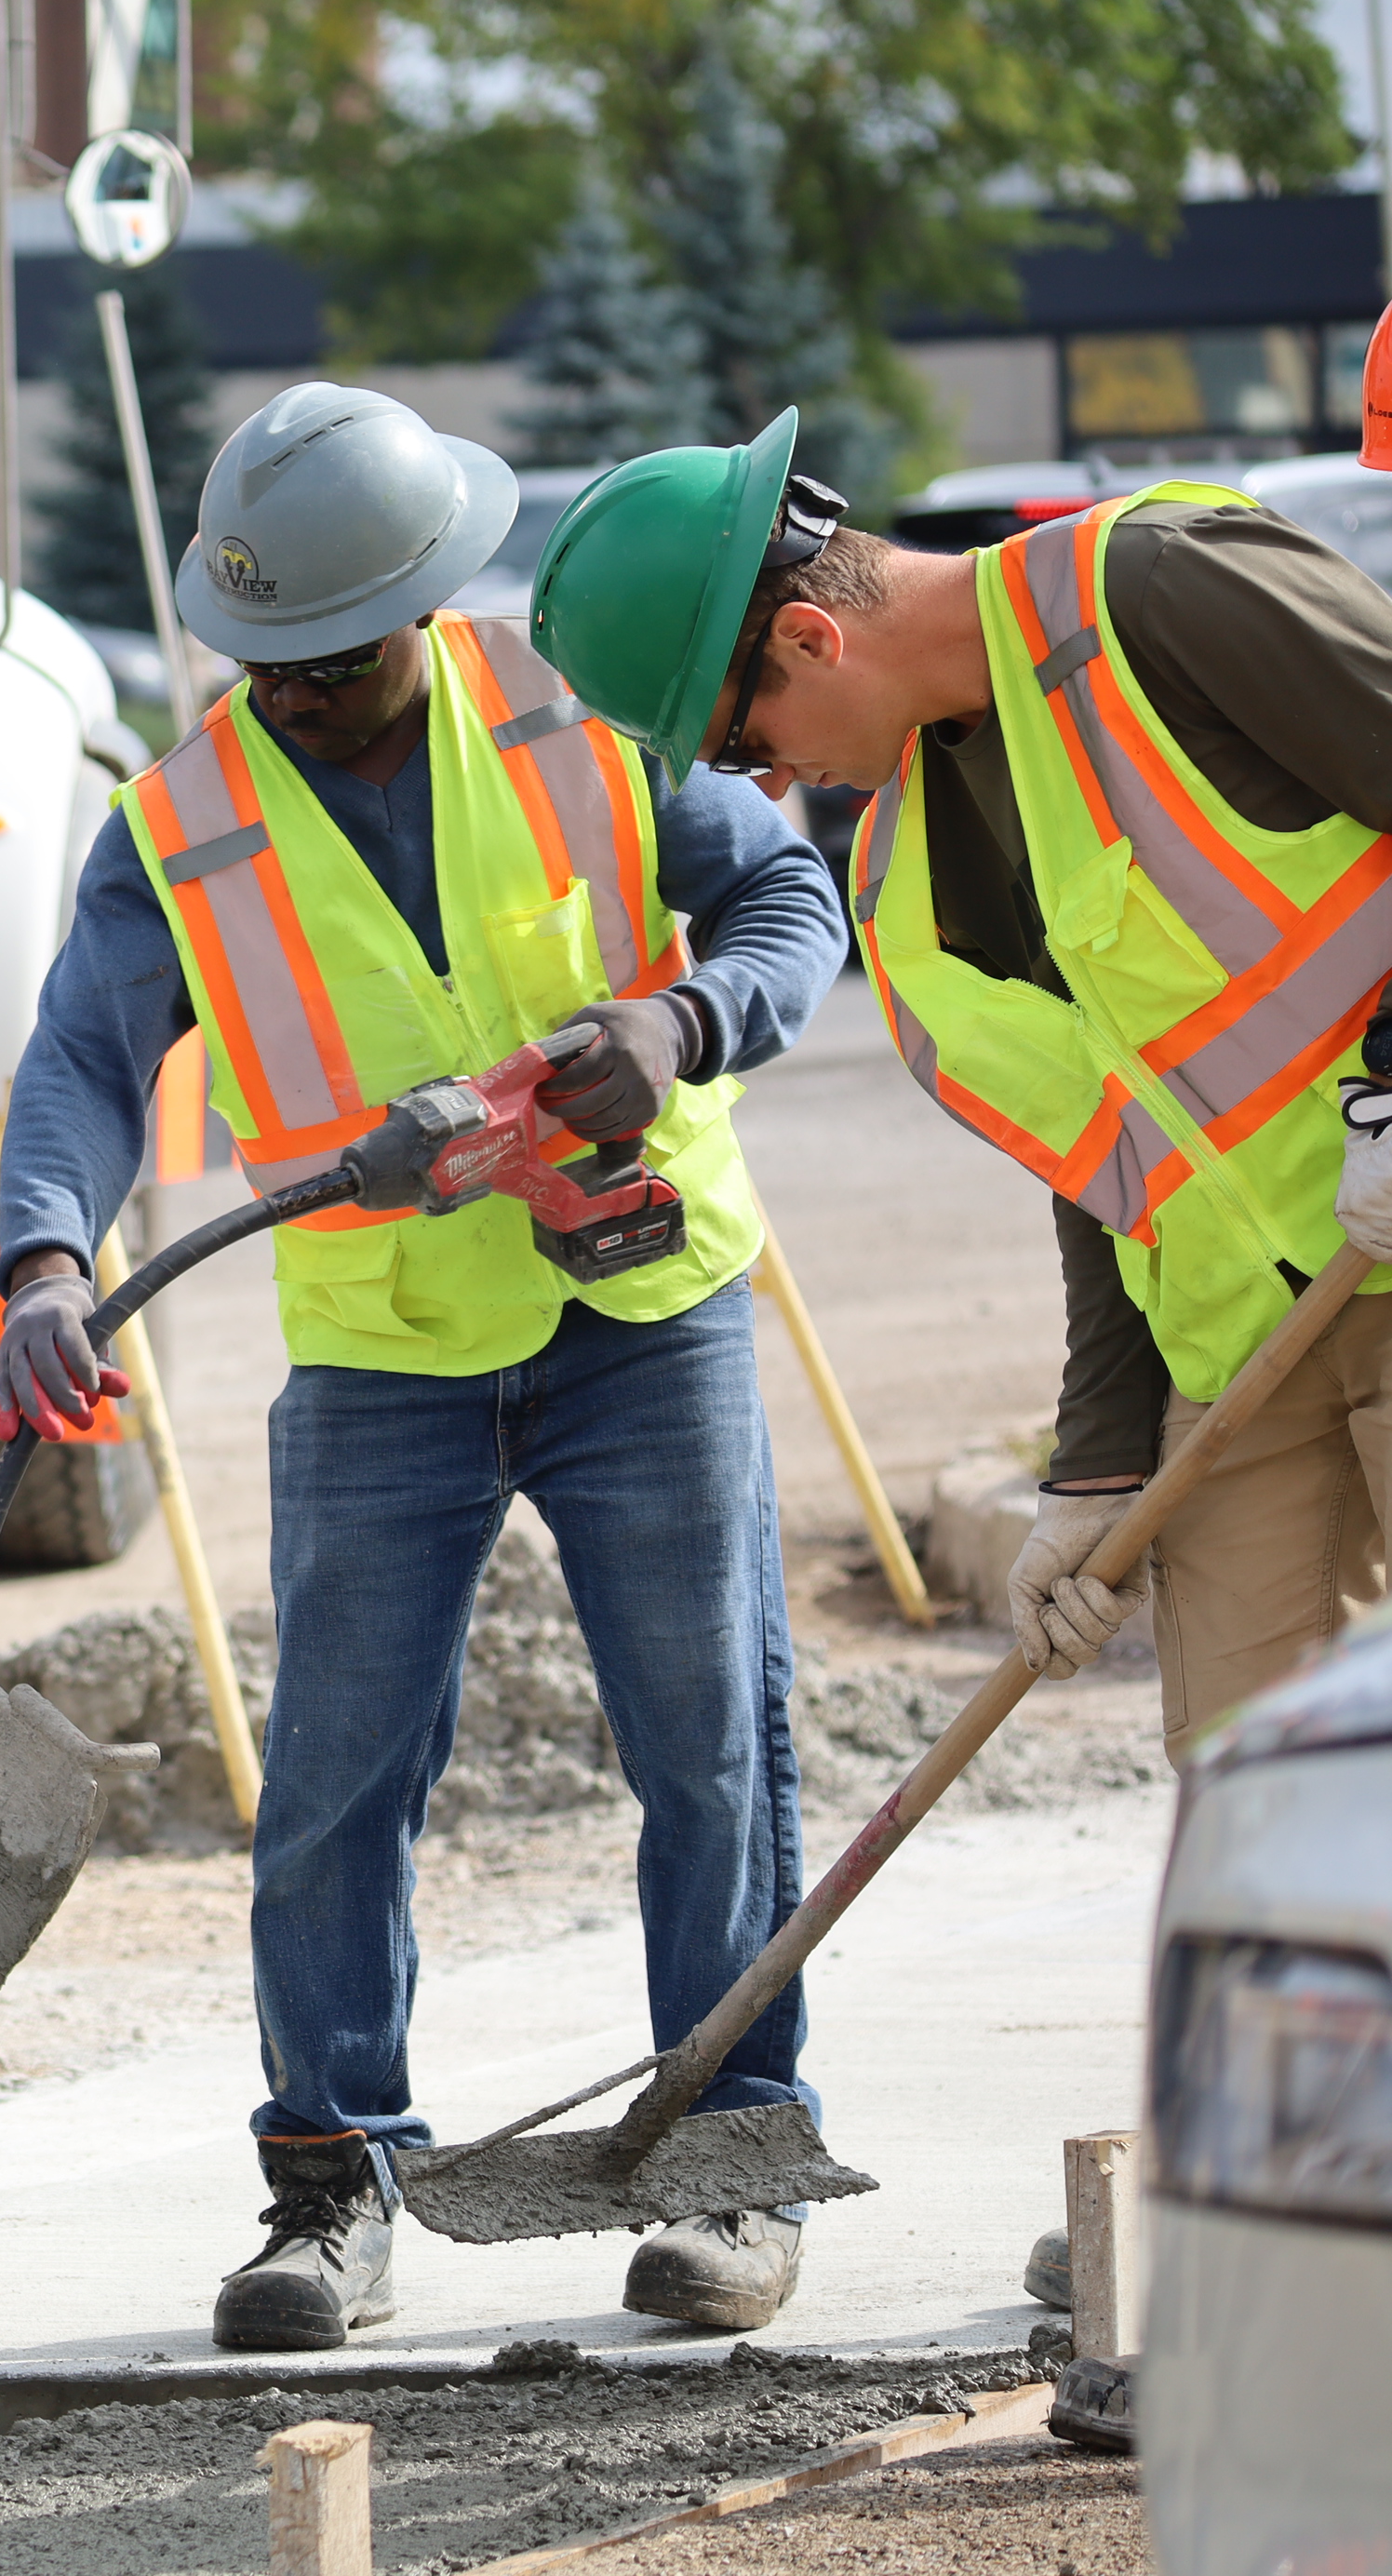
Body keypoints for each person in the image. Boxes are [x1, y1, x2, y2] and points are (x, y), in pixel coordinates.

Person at [529, 405, 1392, 2453]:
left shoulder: (1163, 594)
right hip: (1229, 1356)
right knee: (1259, 1832)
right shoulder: (902, 865)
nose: (754, 785)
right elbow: (1105, 1153)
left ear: (804, 645)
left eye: (738, 741)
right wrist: (1091, 1475)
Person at [0, 384, 848, 2351]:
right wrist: (50, 1255)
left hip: (644, 1315)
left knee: (713, 1745)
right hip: (387, 1355)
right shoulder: (179, 825)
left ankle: (735, 2148)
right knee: (332, 1781)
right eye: (264, 658)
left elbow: (789, 898)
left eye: (335, 651)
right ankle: (329, 2182)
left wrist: (686, 1018)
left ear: (424, 600)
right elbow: (84, 1057)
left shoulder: (582, 712)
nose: (295, 689)